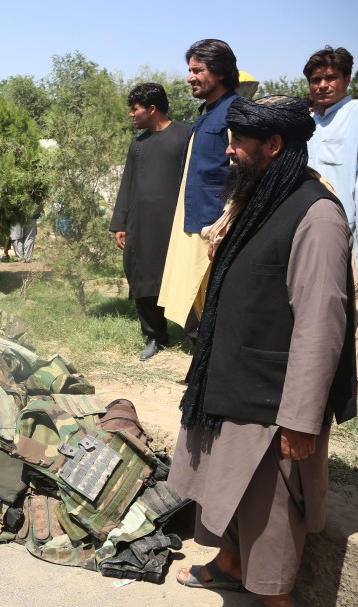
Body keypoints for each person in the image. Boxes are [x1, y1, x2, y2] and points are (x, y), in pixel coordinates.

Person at [169, 96, 356, 606]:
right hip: (232, 376)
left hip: (273, 399)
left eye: (238, 142)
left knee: (269, 510)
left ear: (273, 145)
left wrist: (299, 417)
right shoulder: (259, 194)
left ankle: (276, 597)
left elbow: (322, 325)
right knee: (225, 490)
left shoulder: (317, 217)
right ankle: (230, 564)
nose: (227, 151)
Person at [158, 39, 240, 333]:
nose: (189, 77)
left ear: (219, 72)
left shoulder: (235, 112)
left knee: (216, 305)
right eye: (189, 70)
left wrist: (226, 224)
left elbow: (240, 174)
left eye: (197, 70)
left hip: (213, 225)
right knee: (197, 304)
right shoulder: (206, 114)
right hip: (193, 221)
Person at [110, 83, 191, 361]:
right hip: (141, 224)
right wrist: (120, 223)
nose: (131, 115)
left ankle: (197, 335)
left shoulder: (186, 136)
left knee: (184, 276)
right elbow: (127, 185)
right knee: (141, 274)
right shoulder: (138, 144)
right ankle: (156, 335)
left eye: (135, 109)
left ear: (152, 109)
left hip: (177, 224)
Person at [304, 46, 358, 259]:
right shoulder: (310, 123)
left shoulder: (354, 116)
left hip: (345, 230)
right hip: (308, 224)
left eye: (331, 78)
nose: (323, 85)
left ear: (347, 79)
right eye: (316, 80)